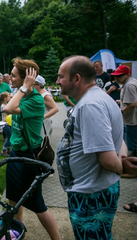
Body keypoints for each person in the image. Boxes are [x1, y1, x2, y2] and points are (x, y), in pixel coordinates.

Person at [56, 55, 123, 239]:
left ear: (76, 78)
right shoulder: (94, 99)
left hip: (91, 197)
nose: (57, 81)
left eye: (61, 76)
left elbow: (107, 159)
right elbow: (118, 141)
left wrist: (121, 168)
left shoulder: (90, 105)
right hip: (91, 193)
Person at [4, 57, 60, 240]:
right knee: (13, 200)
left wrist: (25, 86)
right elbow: (11, 106)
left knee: (37, 204)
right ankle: (17, 233)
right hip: (16, 153)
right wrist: (23, 88)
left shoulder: (35, 100)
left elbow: (8, 109)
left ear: (26, 78)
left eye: (13, 75)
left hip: (30, 156)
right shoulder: (25, 96)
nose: (10, 78)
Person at [110, 65, 137, 153]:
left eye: (119, 76)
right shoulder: (132, 82)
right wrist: (119, 101)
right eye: (115, 76)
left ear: (127, 75)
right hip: (132, 120)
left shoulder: (129, 85)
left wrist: (120, 111)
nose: (117, 78)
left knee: (132, 148)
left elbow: (133, 104)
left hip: (132, 121)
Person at [0, 92, 12, 156]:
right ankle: (3, 151)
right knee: (9, 138)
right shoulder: (3, 106)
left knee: (9, 137)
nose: (9, 97)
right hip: (6, 124)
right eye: (8, 96)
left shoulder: (5, 105)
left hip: (8, 124)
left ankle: (8, 150)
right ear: (5, 98)